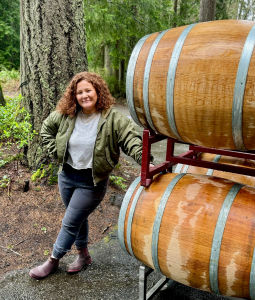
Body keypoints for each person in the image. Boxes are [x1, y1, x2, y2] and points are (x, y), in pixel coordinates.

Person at [29, 71, 153, 280]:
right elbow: (46, 129)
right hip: (67, 176)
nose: (84, 95)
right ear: (74, 95)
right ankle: (83, 255)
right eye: (79, 92)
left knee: (70, 222)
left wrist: (145, 160)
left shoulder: (113, 118)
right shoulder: (66, 113)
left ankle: (53, 260)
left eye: (88, 90)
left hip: (92, 182)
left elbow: (131, 140)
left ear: (98, 91)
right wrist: (57, 151)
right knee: (77, 217)